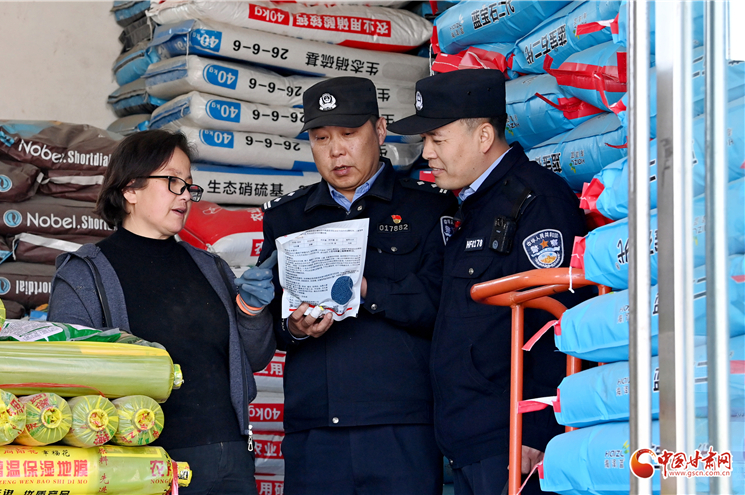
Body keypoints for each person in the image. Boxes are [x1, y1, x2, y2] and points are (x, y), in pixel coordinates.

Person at [387, 69, 589, 495]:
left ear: (483, 136)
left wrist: (538, 427)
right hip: (472, 440)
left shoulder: (535, 201)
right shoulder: (471, 206)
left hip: (514, 441)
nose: (427, 154)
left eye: (437, 139)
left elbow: (560, 318)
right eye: (425, 141)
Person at [257, 76, 458, 495]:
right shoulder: (287, 217)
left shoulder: (428, 206)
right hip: (315, 429)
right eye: (321, 138)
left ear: (380, 130)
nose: (336, 150)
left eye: (349, 133)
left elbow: (444, 306)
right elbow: (269, 320)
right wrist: (295, 328)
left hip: (400, 424)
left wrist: (367, 290)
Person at [47, 129, 276, 495]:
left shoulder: (211, 268)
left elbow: (254, 358)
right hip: (142, 466)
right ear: (130, 189)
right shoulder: (85, 274)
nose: (185, 194)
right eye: (172, 181)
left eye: (188, 185)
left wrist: (252, 311)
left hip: (230, 460)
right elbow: (68, 376)